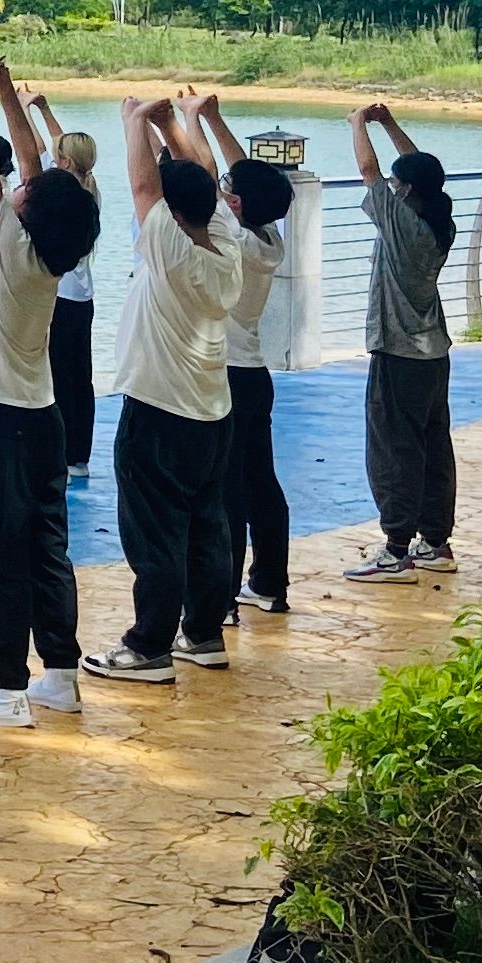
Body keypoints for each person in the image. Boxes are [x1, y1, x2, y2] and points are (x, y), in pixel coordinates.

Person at [0, 59, 96, 726]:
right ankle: (60, 674)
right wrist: (2, 87)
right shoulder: (48, 253)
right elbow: (28, 162)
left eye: (24, 191)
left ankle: (7, 688)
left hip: (2, 420)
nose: (17, 187)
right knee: (45, 547)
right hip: (42, 416)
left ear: (26, 212)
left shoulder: (9, 242)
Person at [87, 95, 242, 680]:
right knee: (206, 527)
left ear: (173, 215)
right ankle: (203, 633)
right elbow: (199, 176)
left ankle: (149, 645)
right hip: (212, 412)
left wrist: (134, 123)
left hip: (158, 412)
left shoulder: (173, 251)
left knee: (155, 535)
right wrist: (170, 123)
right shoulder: (226, 243)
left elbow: (144, 190)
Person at [188, 93, 295, 618]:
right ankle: (270, 583)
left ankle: (223, 597)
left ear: (233, 205)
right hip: (255, 374)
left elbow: (206, 174)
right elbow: (239, 176)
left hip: (226, 374)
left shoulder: (234, 237)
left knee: (225, 489)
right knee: (261, 483)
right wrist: (212, 117)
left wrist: (187, 122)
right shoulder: (268, 237)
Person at [342, 103, 458, 581]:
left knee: (394, 450)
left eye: (398, 184)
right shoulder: (439, 220)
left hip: (398, 354)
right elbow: (421, 171)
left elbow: (369, 172)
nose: (391, 187)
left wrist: (356, 124)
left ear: (405, 190)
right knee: (433, 447)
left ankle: (395, 550)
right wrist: (388, 124)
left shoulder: (403, 225)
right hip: (433, 354)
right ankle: (435, 541)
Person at [44, 107, 103, 483]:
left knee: (59, 378)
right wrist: (42, 109)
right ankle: (79, 455)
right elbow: (57, 147)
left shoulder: (62, 195)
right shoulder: (91, 190)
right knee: (81, 377)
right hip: (83, 297)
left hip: (61, 297)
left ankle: (62, 455)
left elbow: (39, 151)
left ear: (65, 162)